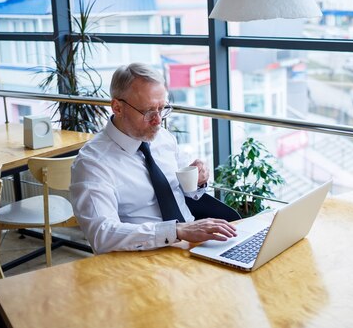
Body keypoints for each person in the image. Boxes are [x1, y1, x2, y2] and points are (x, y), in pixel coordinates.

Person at [70, 63, 237, 254]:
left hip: (192, 243)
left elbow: (188, 192)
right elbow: (102, 234)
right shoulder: (93, 163)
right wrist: (176, 231)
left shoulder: (163, 137)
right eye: (148, 111)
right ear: (117, 107)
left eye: (162, 108)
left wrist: (198, 179)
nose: (158, 121)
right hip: (144, 256)